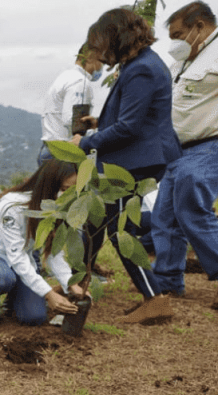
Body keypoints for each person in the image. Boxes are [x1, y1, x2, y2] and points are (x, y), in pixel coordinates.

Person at [72, 8, 182, 324]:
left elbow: (130, 127)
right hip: (135, 157)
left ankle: (155, 298)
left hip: (134, 161)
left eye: (101, 45)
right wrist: (101, 122)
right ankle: (79, 285)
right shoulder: (141, 64)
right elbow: (134, 118)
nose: (99, 54)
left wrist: (87, 141)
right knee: (98, 223)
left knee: (118, 231)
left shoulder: (141, 70)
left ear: (117, 38)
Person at [151, 1, 218, 307]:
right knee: (164, 218)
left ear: (199, 27)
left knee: (193, 211)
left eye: (179, 34)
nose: (175, 42)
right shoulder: (183, 62)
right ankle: (166, 283)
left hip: (208, 145)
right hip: (176, 151)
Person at [0, 159, 85, 326]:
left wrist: (70, 284)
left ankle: (12, 301)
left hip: (20, 261)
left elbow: (53, 252)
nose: (67, 196)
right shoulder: (12, 206)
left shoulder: (55, 209)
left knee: (34, 317)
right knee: (2, 278)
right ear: (48, 184)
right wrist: (49, 294)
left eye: (73, 191)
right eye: (64, 189)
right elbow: (17, 256)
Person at [39, 43, 104, 165]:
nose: (102, 67)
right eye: (101, 61)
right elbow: (72, 120)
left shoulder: (65, 76)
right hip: (64, 152)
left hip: (50, 149)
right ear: (90, 58)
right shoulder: (80, 82)